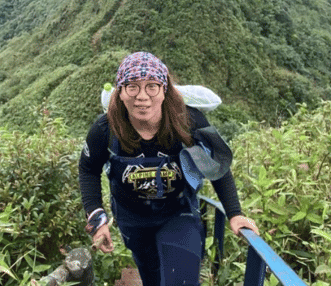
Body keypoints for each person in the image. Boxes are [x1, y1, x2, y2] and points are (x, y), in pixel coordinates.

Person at [78, 51, 259, 286]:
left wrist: (234, 213)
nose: (142, 97)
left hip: (179, 212)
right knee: (151, 277)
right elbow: (88, 169)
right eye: (132, 87)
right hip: (131, 218)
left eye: (152, 86)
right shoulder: (106, 129)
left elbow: (216, 167)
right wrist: (97, 218)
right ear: (120, 92)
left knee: (181, 280)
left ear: (164, 90)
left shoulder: (188, 121)